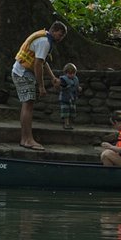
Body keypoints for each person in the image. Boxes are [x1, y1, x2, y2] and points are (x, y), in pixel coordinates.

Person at [12, 21, 67, 150]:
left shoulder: (45, 38)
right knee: (28, 104)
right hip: (23, 73)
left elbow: (43, 62)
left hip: (22, 72)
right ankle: (27, 140)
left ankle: (25, 139)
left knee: (28, 104)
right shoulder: (45, 42)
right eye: (60, 35)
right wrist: (41, 86)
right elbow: (37, 64)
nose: (61, 38)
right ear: (54, 31)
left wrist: (52, 78)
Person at [58, 63, 82, 129]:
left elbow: (76, 86)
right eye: (69, 73)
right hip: (65, 98)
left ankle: (70, 124)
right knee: (65, 112)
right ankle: (66, 124)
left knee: (72, 112)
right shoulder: (63, 79)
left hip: (72, 99)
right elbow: (61, 86)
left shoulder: (75, 79)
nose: (71, 75)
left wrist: (78, 88)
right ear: (66, 73)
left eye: (73, 73)